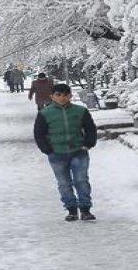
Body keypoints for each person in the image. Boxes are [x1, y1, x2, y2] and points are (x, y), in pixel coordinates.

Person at [33, 83, 98, 221]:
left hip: (78, 152)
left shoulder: (80, 111)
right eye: (58, 95)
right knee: (64, 183)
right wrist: (47, 149)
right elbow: (39, 133)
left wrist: (88, 144)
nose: (62, 98)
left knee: (81, 180)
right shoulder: (45, 114)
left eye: (65, 95)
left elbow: (90, 128)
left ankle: (85, 209)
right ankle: (71, 209)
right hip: (57, 153)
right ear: (52, 96)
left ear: (70, 96)